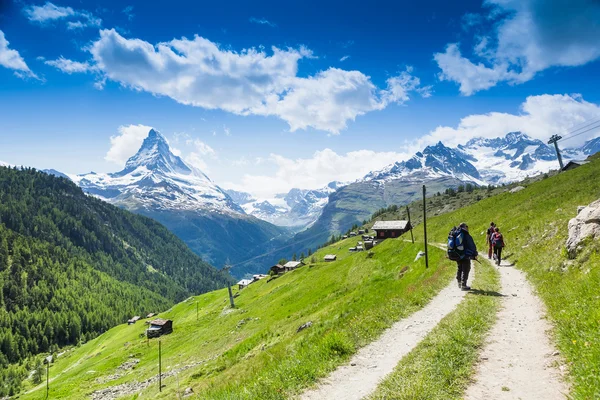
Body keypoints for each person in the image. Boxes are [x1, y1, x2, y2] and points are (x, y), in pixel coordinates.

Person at [456, 222, 478, 291]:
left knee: (460, 268)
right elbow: (471, 245)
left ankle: (459, 282)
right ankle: (463, 285)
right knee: (466, 269)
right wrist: (475, 253)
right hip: (465, 255)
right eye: (467, 226)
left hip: (458, 254)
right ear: (464, 227)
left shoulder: (457, 234)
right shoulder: (466, 235)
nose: (468, 228)